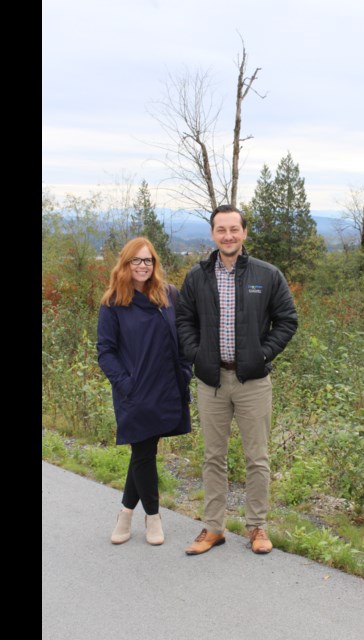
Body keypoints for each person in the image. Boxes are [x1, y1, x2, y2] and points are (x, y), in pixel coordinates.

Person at [176, 204, 298, 555]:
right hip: (211, 382)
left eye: (234, 229)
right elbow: (184, 320)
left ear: (244, 233)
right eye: (221, 229)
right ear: (213, 234)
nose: (227, 235)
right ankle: (213, 528)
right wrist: (196, 355)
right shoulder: (197, 276)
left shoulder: (267, 274)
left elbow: (287, 320)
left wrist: (262, 354)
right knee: (213, 457)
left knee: (256, 457)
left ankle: (257, 527)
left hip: (252, 382)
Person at [97, 237, 193, 546]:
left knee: (144, 451)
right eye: (136, 260)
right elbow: (106, 352)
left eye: (148, 260)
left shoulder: (169, 295)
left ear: (155, 264)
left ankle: (125, 513)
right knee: (143, 451)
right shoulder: (113, 303)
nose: (143, 266)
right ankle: (153, 517)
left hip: (166, 388)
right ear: (125, 264)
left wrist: (185, 372)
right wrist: (126, 385)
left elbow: (183, 339)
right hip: (134, 392)